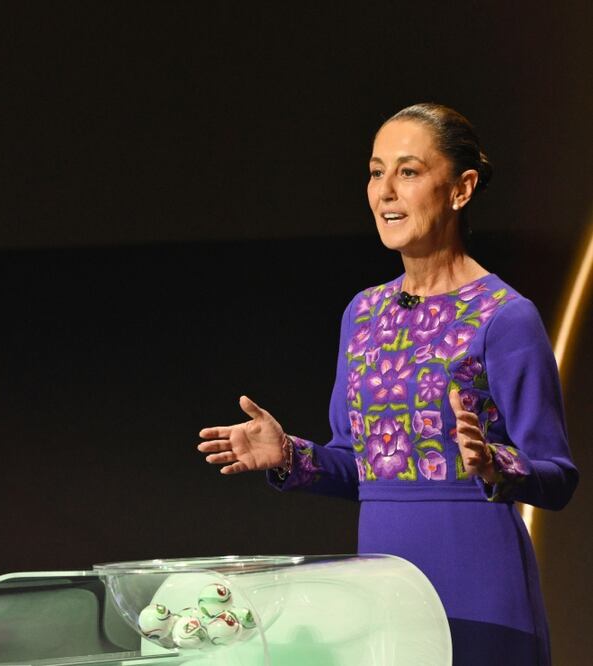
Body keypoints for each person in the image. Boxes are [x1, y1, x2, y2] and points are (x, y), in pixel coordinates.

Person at [196, 103, 578, 665]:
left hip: (480, 581)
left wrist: (497, 465)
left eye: (409, 171)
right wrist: (289, 456)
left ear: (462, 188)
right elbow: (358, 466)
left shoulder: (504, 316)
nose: (386, 192)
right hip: (385, 587)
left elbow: (558, 477)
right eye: (377, 172)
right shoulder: (364, 312)